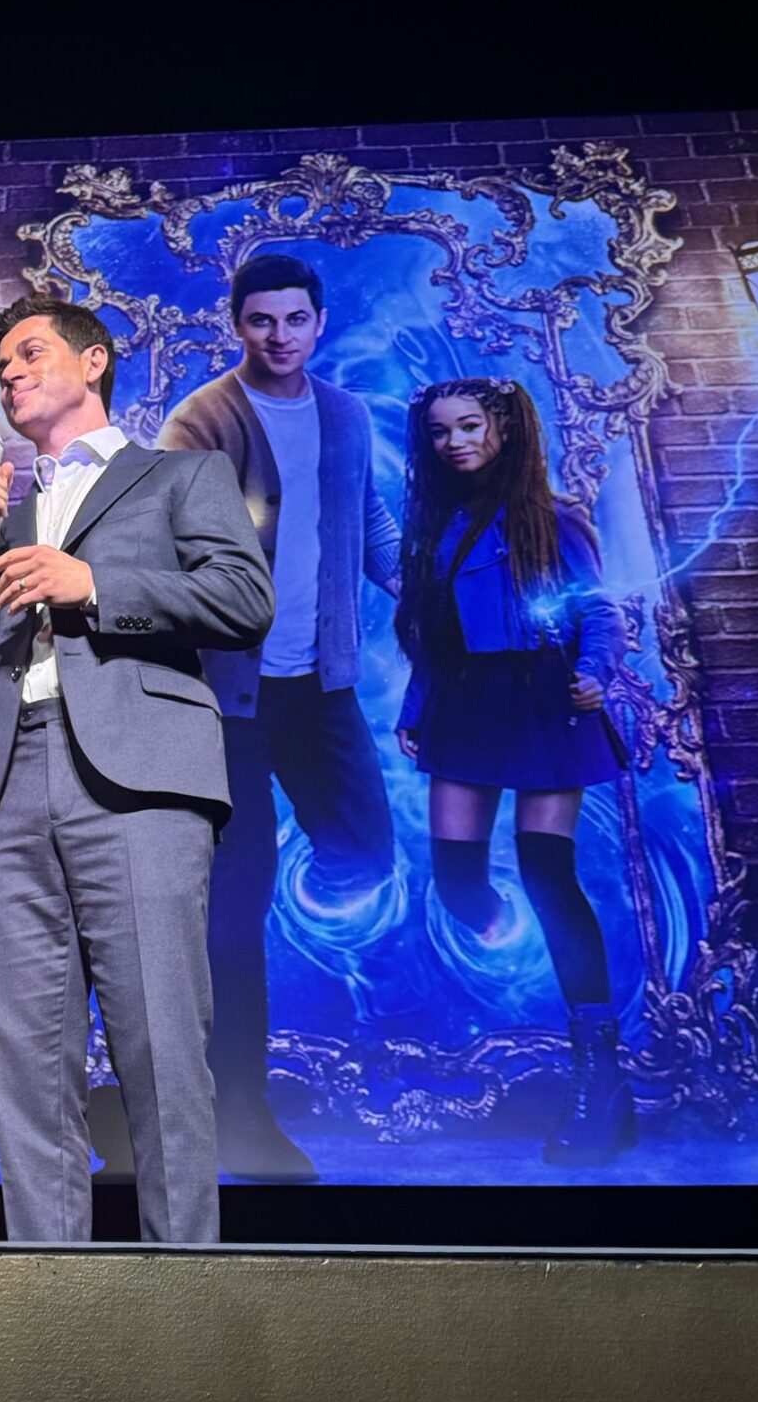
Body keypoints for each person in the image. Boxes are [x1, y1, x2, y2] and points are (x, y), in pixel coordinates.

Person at [0, 296, 273, 1244]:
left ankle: (183, 1295)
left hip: (141, 777)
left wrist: (98, 586)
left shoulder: (179, 476)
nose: (11, 374)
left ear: (95, 361)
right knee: (27, 1058)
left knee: (160, 1041)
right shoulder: (2, 511)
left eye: (29, 353)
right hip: (8, 785)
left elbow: (244, 600)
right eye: (1, 367)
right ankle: (54, 1298)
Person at [158, 250, 400, 1182]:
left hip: (322, 685)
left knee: (369, 847)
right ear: (238, 325)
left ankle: (287, 914)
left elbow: (369, 522)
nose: (279, 336)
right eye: (261, 321)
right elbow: (168, 545)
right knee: (235, 906)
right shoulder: (204, 419)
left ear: (319, 321)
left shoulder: (345, 413)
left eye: (295, 319)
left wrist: (425, 603)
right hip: (232, 698)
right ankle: (240, 1110)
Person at [395, 376, 634, 1163]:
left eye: (470, 426)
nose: (456, 441)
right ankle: (511, 946)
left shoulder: (554, 519)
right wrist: (414, 706)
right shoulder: (434, 527)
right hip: (464, 703)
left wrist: (596, 673)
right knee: (458, 882)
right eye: (440, 431)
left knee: (548, 875)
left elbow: (599, 609)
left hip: (541, 698)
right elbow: (432, 638)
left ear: (504, 429)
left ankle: (601, 1085)